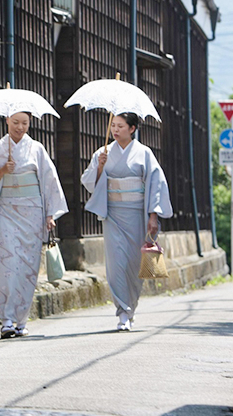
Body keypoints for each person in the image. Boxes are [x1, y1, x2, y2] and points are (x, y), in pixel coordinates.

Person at [0, 108, 68, 339]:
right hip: (6, 209)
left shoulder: (37, 149)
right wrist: (1, 171)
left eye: (24, 122)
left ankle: (22, 319)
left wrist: (50, 214)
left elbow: (49, 181)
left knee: (28, 264)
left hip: (32, 210)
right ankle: (6, 320)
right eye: (15, 122)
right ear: (7, 120)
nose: (20, 127)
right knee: (7, 262)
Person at [80, 112, 172, 331]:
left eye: (120, 126)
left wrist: (153, 215)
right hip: (113, 214)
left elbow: (155, 184)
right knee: (116, 265)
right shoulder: (102, 153)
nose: (115, 129)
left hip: (136, 214)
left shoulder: (144, 153)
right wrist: (100, 167)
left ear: (132, 129)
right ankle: (122, 312)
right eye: (113, 125)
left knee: (133, 263)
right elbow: (88, 182)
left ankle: (131, 308)